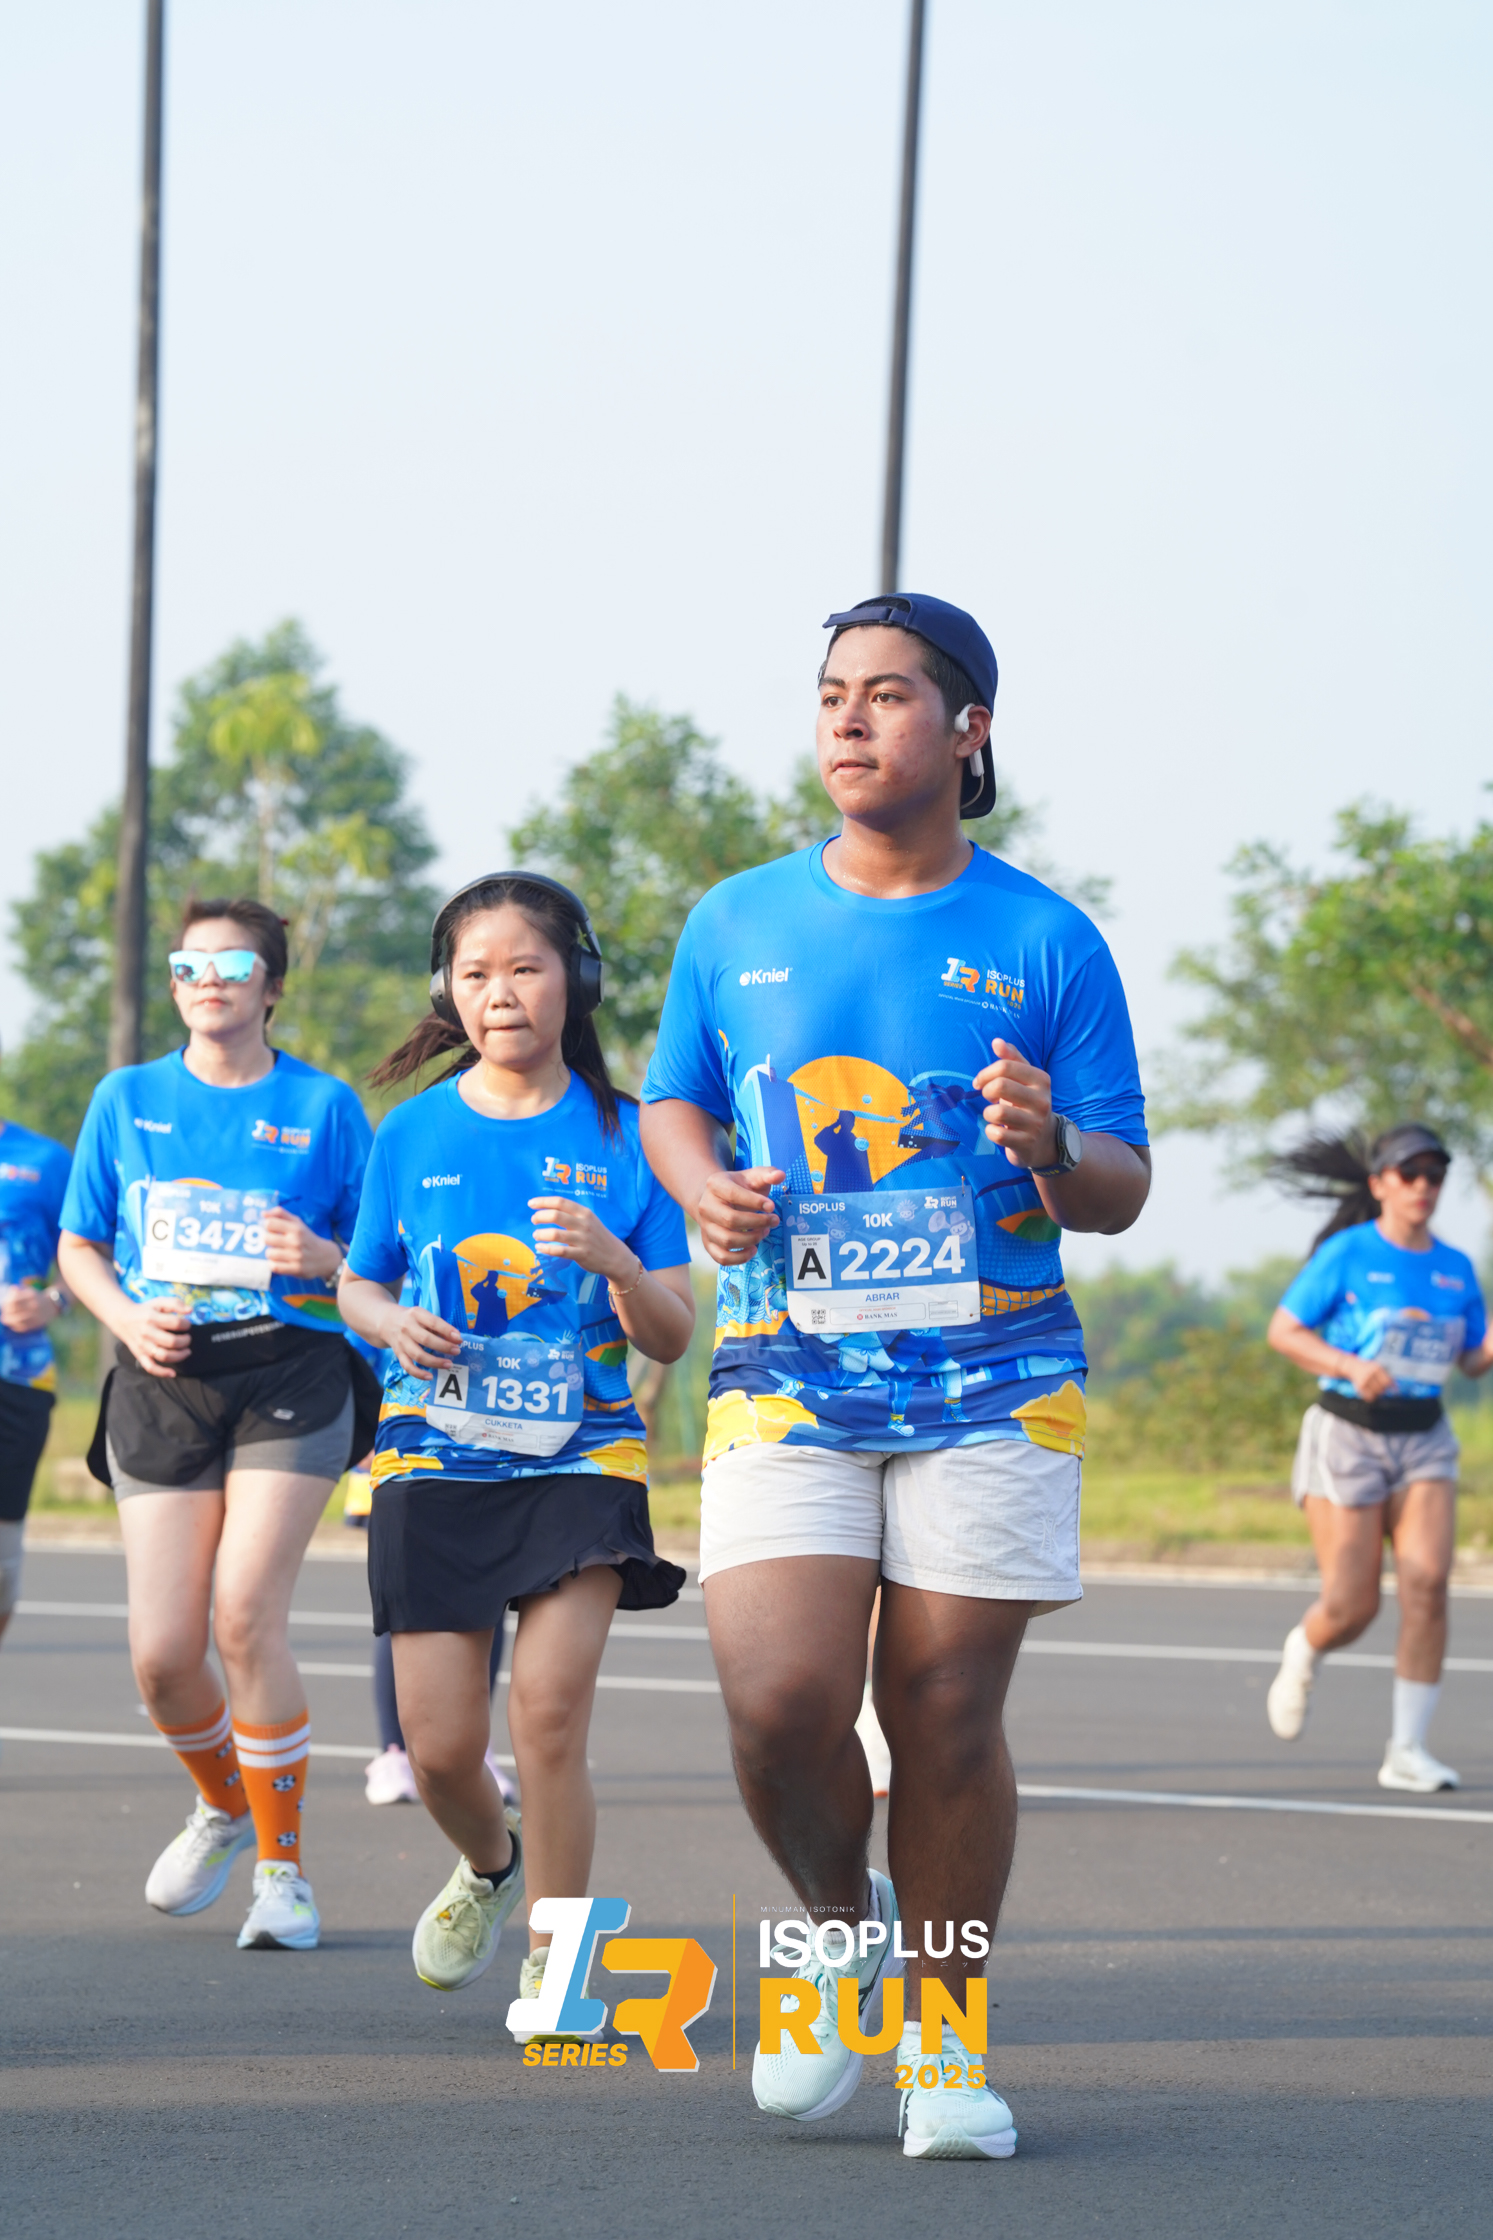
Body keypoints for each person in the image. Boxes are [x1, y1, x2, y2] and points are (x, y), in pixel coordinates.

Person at [640, 593, 1150, 2160]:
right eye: (830, 695)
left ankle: (945, 2044)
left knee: (940, 1710)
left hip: (994, 1377)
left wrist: (1050, 1143)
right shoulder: (736, 921)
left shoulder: (1047, 939)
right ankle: (834, 1921)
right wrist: (705, 1189)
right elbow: (673, 1101)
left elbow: (1120, 1185)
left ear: (969, 727)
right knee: (778, 1700)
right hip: (786, 1368)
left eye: (887, 694)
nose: (849, 720)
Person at [339, 872, 693, 2021]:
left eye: (526, 967)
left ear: (574, 981)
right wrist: (387, 1320)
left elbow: (671, 1330)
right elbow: (358, 1279)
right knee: (440, 1749)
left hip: (580, 1458)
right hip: (432, 1456)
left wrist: (617, 1261)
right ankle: (492, 1867)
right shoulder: (411, 1129)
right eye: (476, 972)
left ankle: (559, 1957)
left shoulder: (632, 1134)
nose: (501, 992)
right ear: (447, 990)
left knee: (546, 1713)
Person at [57, 898, 374, 1951]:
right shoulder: (126, 1097)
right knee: (161, 1654)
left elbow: (383, 1256)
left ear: (271, 987)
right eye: (189, 965)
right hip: (163, 1377)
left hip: (289, 1369)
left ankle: (284, 1874)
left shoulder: (324, 1106)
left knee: (243, 1613)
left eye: (234, 965)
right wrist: (123, 1317)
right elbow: (79, 1245)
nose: (209, 981)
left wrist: (324, 1259)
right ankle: (224, 1804)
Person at [1264, 1124, 1493, 1791]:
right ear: (1380, 1184)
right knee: (1352, 1605)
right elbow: (1284, 1331)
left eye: (1434, 1174)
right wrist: (1347, 1364)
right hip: (1348, 1432)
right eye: (1408, 1173)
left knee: (1427, 1583)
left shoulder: (1455, 1267)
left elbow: (1471, 1360)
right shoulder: (1348, 1253)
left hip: (1424, 1436)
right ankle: (1304, 1648)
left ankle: (1406, 1751)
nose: (1423, 1185)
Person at [0, 1103, 73, 1663]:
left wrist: (53, 1301)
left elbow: (93, 1253)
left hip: (17, 1379)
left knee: (2, 1563)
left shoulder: (45, 1160)